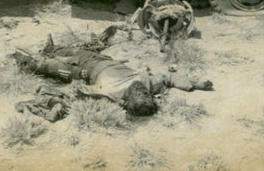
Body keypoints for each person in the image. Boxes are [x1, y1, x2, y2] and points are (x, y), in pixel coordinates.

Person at [12, 27, 212, 120]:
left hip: (81, 69)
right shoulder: (149, 84)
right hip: (102, 59)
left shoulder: (110, 93)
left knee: (42, 65)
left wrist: (56, 101)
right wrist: (194, 84)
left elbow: (78, 91)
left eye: (140, 95)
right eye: (146, 95)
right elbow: (170, 77)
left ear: (128, 100)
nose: (142, 91)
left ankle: (24, 58)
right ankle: (52, 49)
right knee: (72, 50)